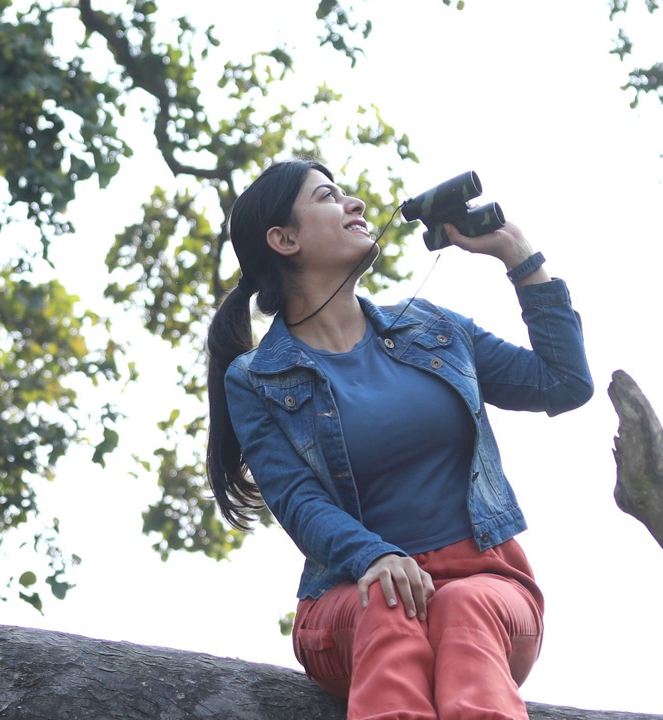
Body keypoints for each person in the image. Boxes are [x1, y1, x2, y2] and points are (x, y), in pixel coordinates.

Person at [205, 159, 593, 720]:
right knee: (388, 604)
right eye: (328, 197)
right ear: (283, 239)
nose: (355, 204)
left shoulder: (434, 327)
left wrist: (518, 255)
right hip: (350, 600)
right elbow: (297, 501)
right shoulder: (256, 379)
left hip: (488, 582)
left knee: (465, 606)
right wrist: (374, 556)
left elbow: (563, 383)